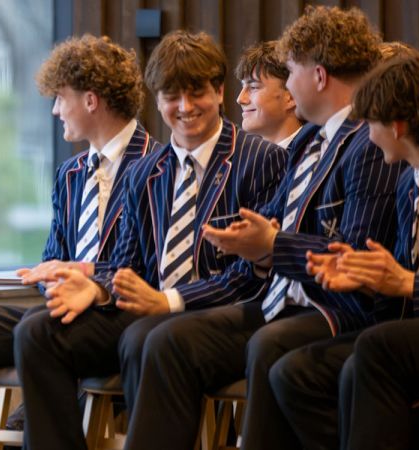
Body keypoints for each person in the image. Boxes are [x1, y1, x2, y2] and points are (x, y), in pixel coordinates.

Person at [125, 7, 403, 450]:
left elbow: (355, 254)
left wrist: (270, 244)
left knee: (267, 345)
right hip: (279, 299)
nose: (288, 88)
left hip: (335, 308)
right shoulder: (312, 140)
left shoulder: (365, 141)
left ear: (319, 75)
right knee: (165, 341)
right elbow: (271, 219)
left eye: (289, 73)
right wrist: (246, 236)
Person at [12, 30, 287, 450]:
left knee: (152, 338)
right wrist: (99, 288)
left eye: (196, 93)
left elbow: (255, 276)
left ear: (218, 92)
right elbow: (127, 263)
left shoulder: (261, 159)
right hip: (151, 308)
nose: (184, 108)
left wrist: (169, 302)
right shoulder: (145, 171)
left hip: (230, 313)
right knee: (40, 332)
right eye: (171, 96)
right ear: (157, 100)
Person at [0, 34, 159, 450]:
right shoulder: (71, 172)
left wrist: (88, 285)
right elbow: (52, 259)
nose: (56, 109)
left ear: (90, 100)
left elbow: (151, 270)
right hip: (61, 312)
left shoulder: (157, 166)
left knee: (37, 330)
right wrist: (53, 277)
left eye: (61, 98)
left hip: (119, 316)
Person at [283, 54, 419, 450]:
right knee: (296, 373)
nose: (365, 133)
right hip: (414, 331)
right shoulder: (409, 187)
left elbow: (409, 283)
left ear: (397, 127)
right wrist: (365, 278)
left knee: (377, 348)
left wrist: (407, 283)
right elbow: (398, 283)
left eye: (369, 123)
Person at [235, 40, 303, 147]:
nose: (240, 99)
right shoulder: (244, 158)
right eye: (243, 86)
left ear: (291, 97)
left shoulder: (316, 157)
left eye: (253, 87)